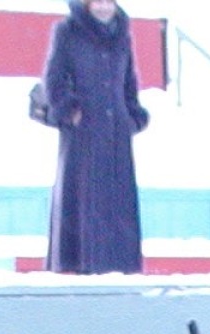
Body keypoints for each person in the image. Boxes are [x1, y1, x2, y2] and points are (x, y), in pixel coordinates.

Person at [43, 0, 147, 276]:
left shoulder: (122, 34)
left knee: (118, 204)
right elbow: (54, 78)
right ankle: (82, 263)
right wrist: (71, 111)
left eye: (108, 2)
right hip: (83, 133)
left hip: (117, 134)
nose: (103, 8)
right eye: (97, 2)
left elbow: (129, 82)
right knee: (83, 201)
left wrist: (133, 116)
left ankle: (120, 265)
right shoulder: (67, 31)